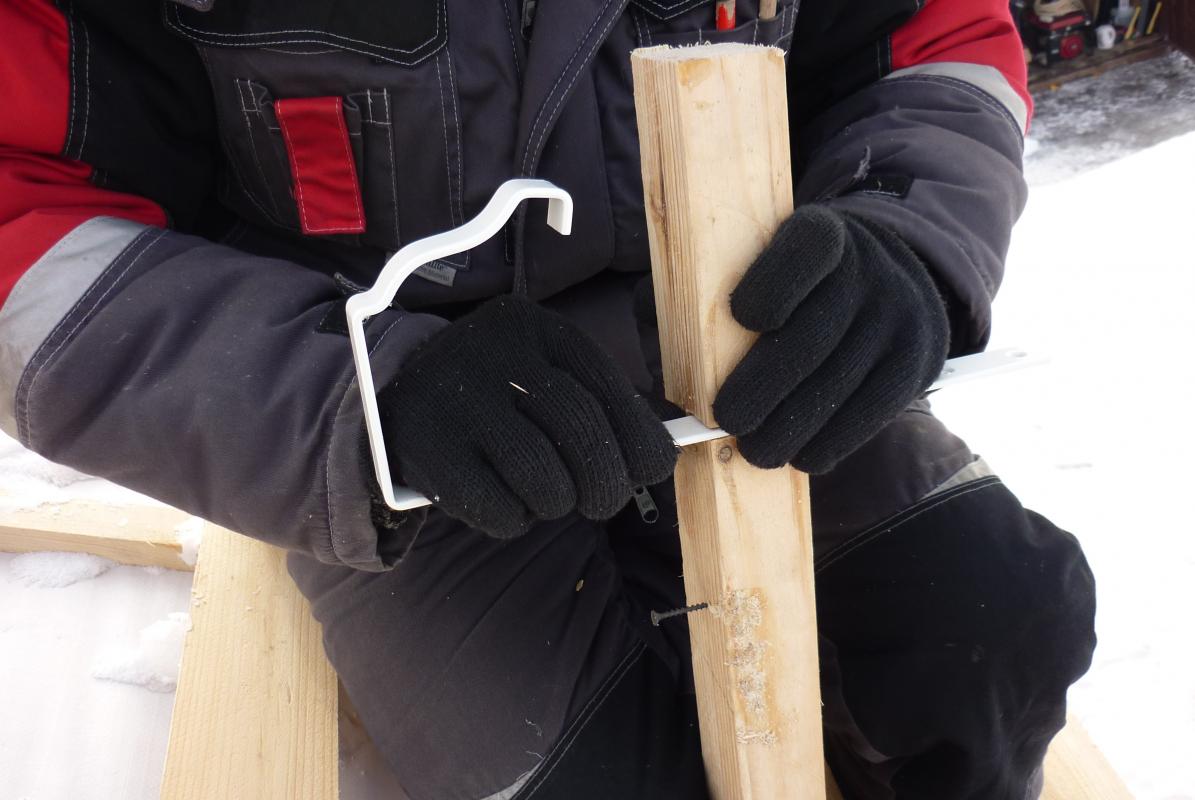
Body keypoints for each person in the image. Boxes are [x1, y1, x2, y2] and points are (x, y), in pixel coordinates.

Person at [0, 0, 1097, 797]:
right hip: (389, 429)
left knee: (995, 624)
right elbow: (23, 214)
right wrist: (355, 400)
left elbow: (933, 40)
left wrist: (904, 228)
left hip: (738, 358)